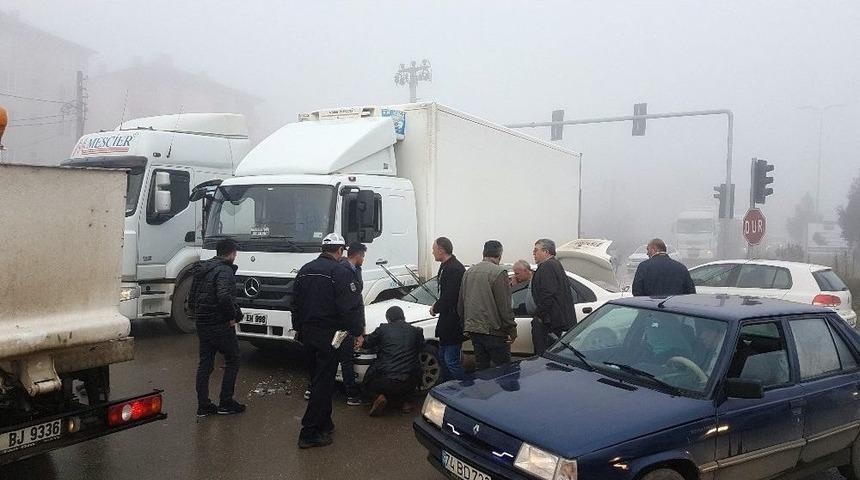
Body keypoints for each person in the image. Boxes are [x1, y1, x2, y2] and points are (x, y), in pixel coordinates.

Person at [293, 233, 363, 449]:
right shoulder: (340, 272)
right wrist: (357, 332)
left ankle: (325, 422)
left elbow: (294, 303)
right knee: (323, 383)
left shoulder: (304, 270)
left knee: (317, 378)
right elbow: (349, 307)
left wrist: (298, 329)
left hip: (307, 334)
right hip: (330, 335)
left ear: (323, 249)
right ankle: (309, 432)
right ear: (340, 251)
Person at [189, 238, 246, 417]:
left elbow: (191, 298)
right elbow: (223, 297)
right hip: (220, 324)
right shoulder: (225, 270)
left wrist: (197, 315)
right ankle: (226, 402)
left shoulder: (203, 269)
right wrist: (234, 316)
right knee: (233, 359)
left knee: (205, 363)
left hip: (203, 323)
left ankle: (203, 406)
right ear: (232, 254)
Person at [458, 240, 516, 371]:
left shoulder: (469, 272)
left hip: (474, 330)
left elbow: (461, 303)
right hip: (494, 331)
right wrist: (512, 329)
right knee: (504, 372)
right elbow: (504, 307)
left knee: (482, 370)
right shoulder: (499, 273)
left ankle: (482, 391)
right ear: (500, 255)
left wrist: (465, 324)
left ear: (483, 253)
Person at [357, 306, 424, 416]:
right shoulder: (415, 331)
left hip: (385, 380)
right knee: (413, 368)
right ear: (403, 317)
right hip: (409, 381)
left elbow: (367, 343)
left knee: (367, 383)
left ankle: (378, 397)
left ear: (388, 319)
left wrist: (361, 341)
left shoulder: (383, 329)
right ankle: (405, 402)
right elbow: (420, 348)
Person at [531, 239, 577, 355]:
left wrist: (539, 315)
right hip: (554, 321)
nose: (533, 253)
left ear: (546, 252)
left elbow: (548, 294)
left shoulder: (548, 266)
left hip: (550, 322)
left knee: (545, 357)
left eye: (536, 250)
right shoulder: (554, 264)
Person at [429, 237, 466, 381]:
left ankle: (463, 389)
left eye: (434, 250)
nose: (432, 253)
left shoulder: (455, 269)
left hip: (453, 321)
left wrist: (435, 308)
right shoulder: (445, 266)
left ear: (441, 250)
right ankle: (449, 389)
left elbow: (450, 295)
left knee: (451, 360)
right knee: (443, 358)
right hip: (446, 321)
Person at [338, 242, 367, 406]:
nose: (363, 259)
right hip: (343, 327)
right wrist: (357, 330)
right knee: (345, 359)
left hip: (342, 325)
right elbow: (351, 304)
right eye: (363, 256)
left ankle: (312, 388)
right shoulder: (345, 272)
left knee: (331, 357)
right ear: (358, 255)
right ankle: (351, 395)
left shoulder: (354, 270)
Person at [632, 238, 696, 297]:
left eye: (648, 249)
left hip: (650, 307)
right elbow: (691, 292)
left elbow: (637, 291)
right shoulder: (681, 268)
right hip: (675, 307)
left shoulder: (643, 266)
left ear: (654, 249)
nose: (647, 253)